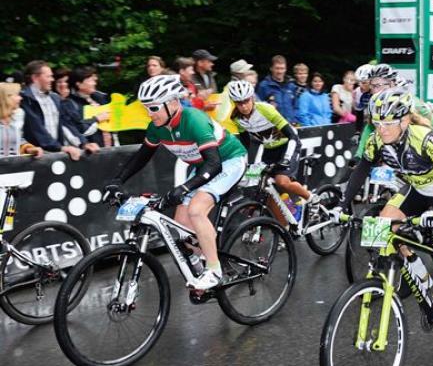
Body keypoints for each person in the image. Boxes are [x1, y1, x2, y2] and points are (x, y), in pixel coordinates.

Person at [333, 89, 433, 353]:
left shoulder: (424, 138)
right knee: (384, 225)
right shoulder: (377, 140)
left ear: (405, 120)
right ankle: (416, 270)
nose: (382, 129)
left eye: (388, 123)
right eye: (377, 123)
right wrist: (342, 204)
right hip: (416, 190)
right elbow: (361, 170)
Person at [104, 75, 248, 289]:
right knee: (180, 227)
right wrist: (117, 181)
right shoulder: (157, 127)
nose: (149, 113)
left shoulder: (194, 120)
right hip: (203, 165)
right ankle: (203, 261)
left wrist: (185, 188)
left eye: (154, 108)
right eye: (146, 108)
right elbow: (142, 156)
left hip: (229, 160)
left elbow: (214, 164)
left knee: (196, 210)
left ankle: (214, 270)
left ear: (172, 103)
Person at [228, 80, 314, 224]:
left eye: (246, 101)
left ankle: (312, 199)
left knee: (282, 181)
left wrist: (286, 158)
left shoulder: (266, 109)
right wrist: (242, 163)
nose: (243, 106)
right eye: (239, 103)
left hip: (288, 145)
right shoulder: (236, 118)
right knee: (263, 188)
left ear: (252, 98)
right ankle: (284, 226)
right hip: (269, 150)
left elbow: (292, 136)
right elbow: (245, 143)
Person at [19, 60, 92, 160]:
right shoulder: (24, 99)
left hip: (55, 154)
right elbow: (37, 129)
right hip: (35, 157)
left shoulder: (55, 97)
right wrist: (60, 148)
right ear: (35, 78)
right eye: (48, 76)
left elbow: (66, 125)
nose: (52, 79)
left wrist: (83, 144)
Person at [64, 66, 110, 147]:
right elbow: (78, 128)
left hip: (111, 147)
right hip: (91, 149)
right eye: (91, 80)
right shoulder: (70, 104)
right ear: (79, 84)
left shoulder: (101, 97)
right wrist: (97, 119)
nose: (94, 83)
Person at [0, 83, 43, 157]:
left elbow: (18, 140)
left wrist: (28, 149)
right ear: (6, 97)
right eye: (17, 95)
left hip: (14, 163)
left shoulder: (15, 119)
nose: (20, 98)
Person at [256, 55, 298, 123]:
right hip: (273, 125)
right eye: (277, 68)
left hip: (291, 124)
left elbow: (296, 106)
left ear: (285, 69)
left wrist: (295, 120)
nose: (280, 71)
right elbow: (258, 108)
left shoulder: (291, 85)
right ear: (271, 68)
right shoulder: (264, 86)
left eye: (282, 68)